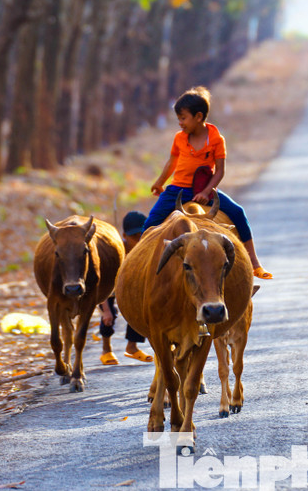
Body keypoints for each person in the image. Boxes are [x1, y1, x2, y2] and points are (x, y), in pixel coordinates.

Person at [143, 86, 272, 279]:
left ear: (198, 116)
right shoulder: (179, 138)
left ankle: (254, 262)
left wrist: (205, 192)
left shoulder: (216, 140)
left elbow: (219, 171)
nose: (180, 123)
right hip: (177, 190)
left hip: (205, 190)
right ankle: (140, 264)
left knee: (238, 212)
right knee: (151, 223)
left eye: (183, 118)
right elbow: (172, 162)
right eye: (178, 118)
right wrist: (159, 182)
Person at [99, 210, 153, 365]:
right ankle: (106, 349)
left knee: (137, 311)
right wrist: (105, 311)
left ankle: (132, 347)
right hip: (108, 289)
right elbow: (102, 283)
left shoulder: (146, 252)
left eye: (142, 236)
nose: (138, 240)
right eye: (134, 237)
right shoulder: (116, 253)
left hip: (130, 287)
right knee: (110, 316)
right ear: (124, 235)